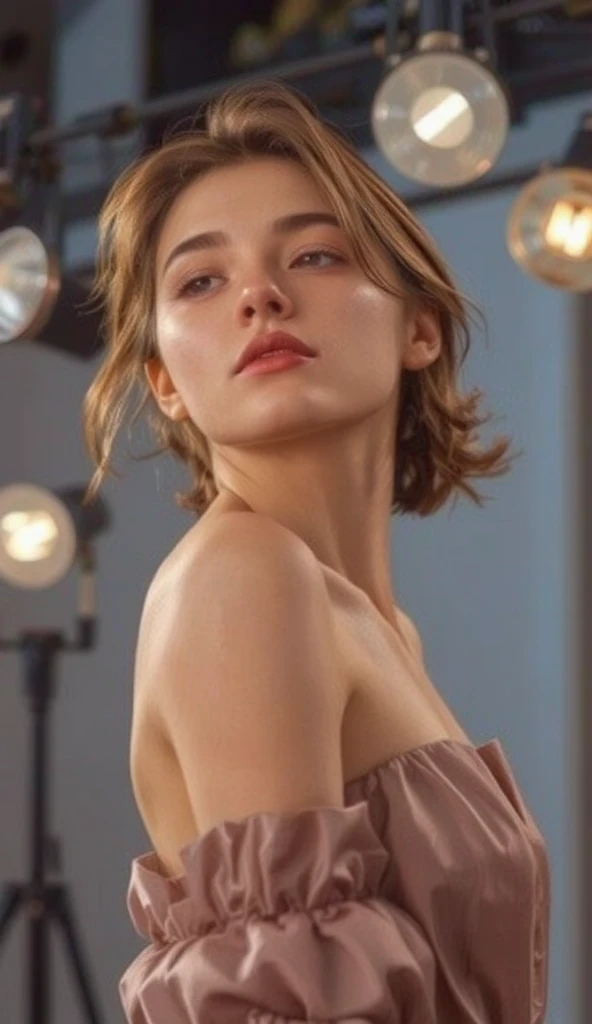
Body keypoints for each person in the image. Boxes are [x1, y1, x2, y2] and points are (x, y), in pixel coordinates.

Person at [81, 80, 550, 1022]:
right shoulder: (243, 578)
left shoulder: (383, 630)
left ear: (419, 325)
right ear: (165, 382)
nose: (261, 294)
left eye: (315, 253)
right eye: (201, 281)